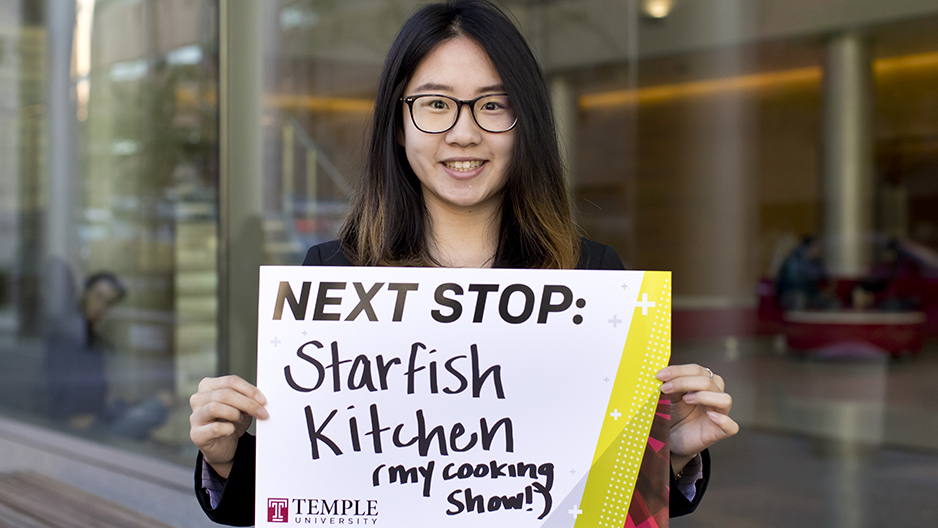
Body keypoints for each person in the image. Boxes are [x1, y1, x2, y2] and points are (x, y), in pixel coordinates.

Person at [189, 1, 738, 524]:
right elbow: (305, 491)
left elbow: (612, 498)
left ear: (527, 124)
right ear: (398, 125)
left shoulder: (592, 281)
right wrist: (224, 456)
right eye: (435, 103)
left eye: (493, 104)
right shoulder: (334, 276)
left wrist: (672, 455)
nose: (463, 132)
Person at [44, 266, 172, 439]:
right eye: (98, 296)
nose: (101, 306)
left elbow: (95, 397)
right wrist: (69, 419)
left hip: (98, 419)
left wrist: (119, 405)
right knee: (158, 407)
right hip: (75, 430)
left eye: (108, 302)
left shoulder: (96, 340)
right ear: (85, 293)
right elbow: (55, 390)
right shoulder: (69, 334)